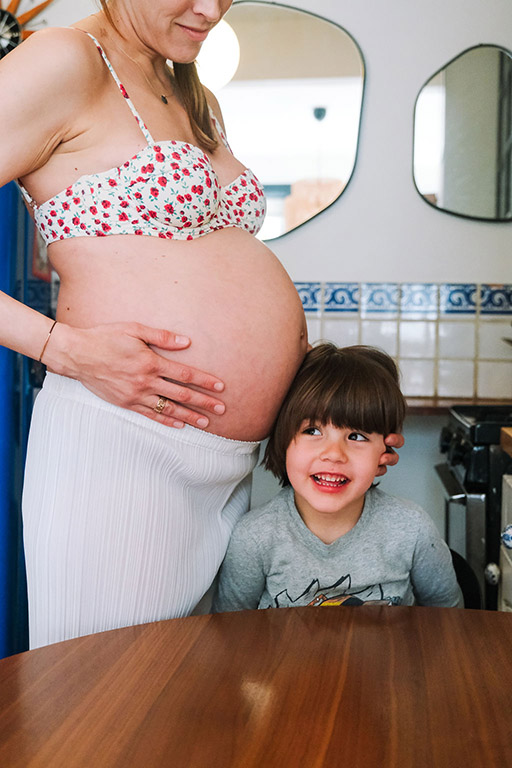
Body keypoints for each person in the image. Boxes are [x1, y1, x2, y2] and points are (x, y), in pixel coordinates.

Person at [0, 1, 402, 648]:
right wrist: (62, 349)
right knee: (108, 711)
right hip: (127, 450)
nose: (211, 9)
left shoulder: (190, 87)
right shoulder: (65, 61)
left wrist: (342, 418)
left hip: (227, 464)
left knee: (190, 710)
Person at [213, 344, 461, 612]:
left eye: (356, 436)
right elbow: (230, 633)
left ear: (386, 450)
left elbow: (448, 619)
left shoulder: (412, 530)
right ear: (283, 439)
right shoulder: (254, 538)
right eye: (312, 431)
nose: (333, 454)